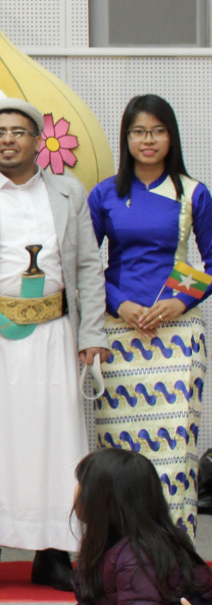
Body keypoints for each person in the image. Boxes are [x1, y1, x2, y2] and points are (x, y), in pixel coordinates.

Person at [0, 97, 109, 592]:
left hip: (55, 334)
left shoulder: (68, 192)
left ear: (37, 140)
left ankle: (52, 555)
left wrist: (92, 334)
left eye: (18, 131)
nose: (7, 139)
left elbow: (86, 270)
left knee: (55, 444)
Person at [88, 95, 212, 537]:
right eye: (139, 131)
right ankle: (116, 546)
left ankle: (174, 546)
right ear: (126, 137)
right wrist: (120, 304)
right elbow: (84, 265)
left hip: (178, 334)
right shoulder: (104, 193)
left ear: (171, 137)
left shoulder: (193, 192)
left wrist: (180, 302)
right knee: (119, 450)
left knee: (176, 447)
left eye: (158, 131)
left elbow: (211, 262)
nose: (149, 140)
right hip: (120, 332)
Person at [74, 448, 212, 604]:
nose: (76, 492)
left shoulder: (138, 559)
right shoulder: (108, 543)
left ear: (105, 500)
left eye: (82, 485)